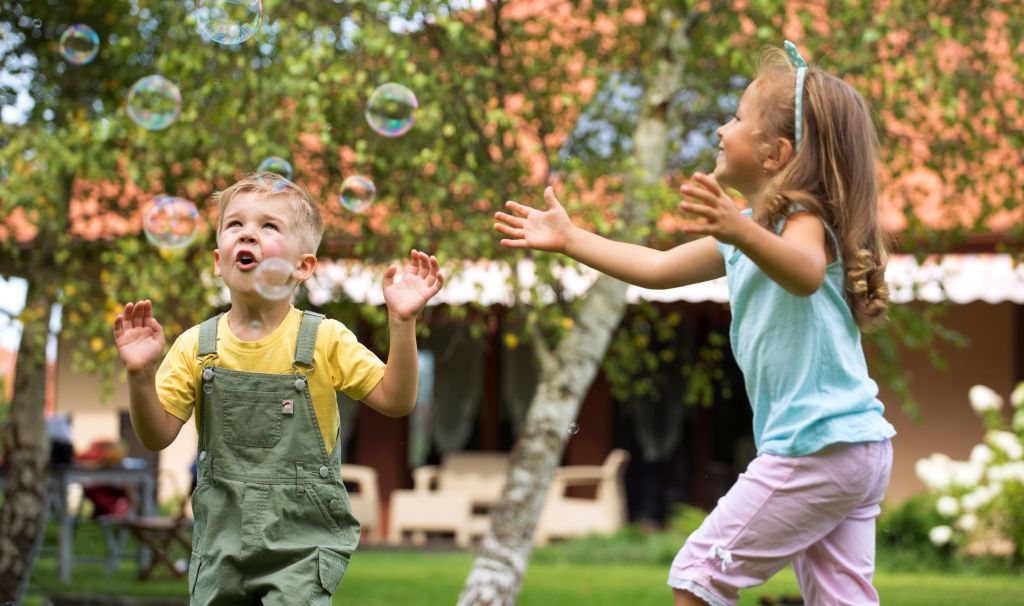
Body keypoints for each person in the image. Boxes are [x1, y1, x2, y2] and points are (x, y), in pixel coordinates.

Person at [494, 41, 895, 606]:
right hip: (850, 448)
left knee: (698, 575)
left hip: (819, 443)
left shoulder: (804, 220)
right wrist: (570, 239)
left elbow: (805, 274)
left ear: (775, 152)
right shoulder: (748, 234)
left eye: (735, 117)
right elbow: (656, 269)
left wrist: (741, 231)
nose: (720, 128)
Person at [113, 173, 443, 603]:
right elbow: (156, 436)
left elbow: (398, 402)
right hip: (220, 545)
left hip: (301, 546)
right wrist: (140, 375)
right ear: (219, 259)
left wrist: (402, 324)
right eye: (236, 225)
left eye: (269, 226)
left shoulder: (324, 339)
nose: (248, 232)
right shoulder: (196, 345)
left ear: (303, 266)